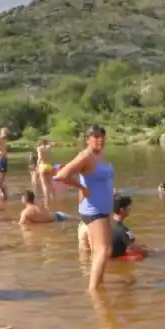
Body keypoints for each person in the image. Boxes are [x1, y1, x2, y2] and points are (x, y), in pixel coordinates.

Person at [55, 124, 114, 291]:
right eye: (95, 137)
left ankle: (99, 285)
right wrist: (81, 188)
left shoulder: (101, 154)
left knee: (102, 251)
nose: (100, 139)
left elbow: (102, 177)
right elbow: (61, 175)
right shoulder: (86, 156)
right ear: (87, 139)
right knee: (102, 251)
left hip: (104, 207)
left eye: (102, 136)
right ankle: (93, 291)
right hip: (93, 208)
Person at [78, 195, 149, 261]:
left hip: (104, 256)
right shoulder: (123, 230)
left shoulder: (105, 223)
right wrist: (148, 251)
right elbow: (134, 248)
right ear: (122, 210)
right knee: (143, 255)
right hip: (116, 258)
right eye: (128, 208)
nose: (130, 210)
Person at [36, 140, 56, 208]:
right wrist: (51, 144)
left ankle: (46, 200)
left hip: (42, 165)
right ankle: (53, 199)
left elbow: (39, 158)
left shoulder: (39, 148)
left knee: (45, 185)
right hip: (49, 166)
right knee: (51, 183)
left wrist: (37, 167)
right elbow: (52, 144)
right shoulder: (48, 148)